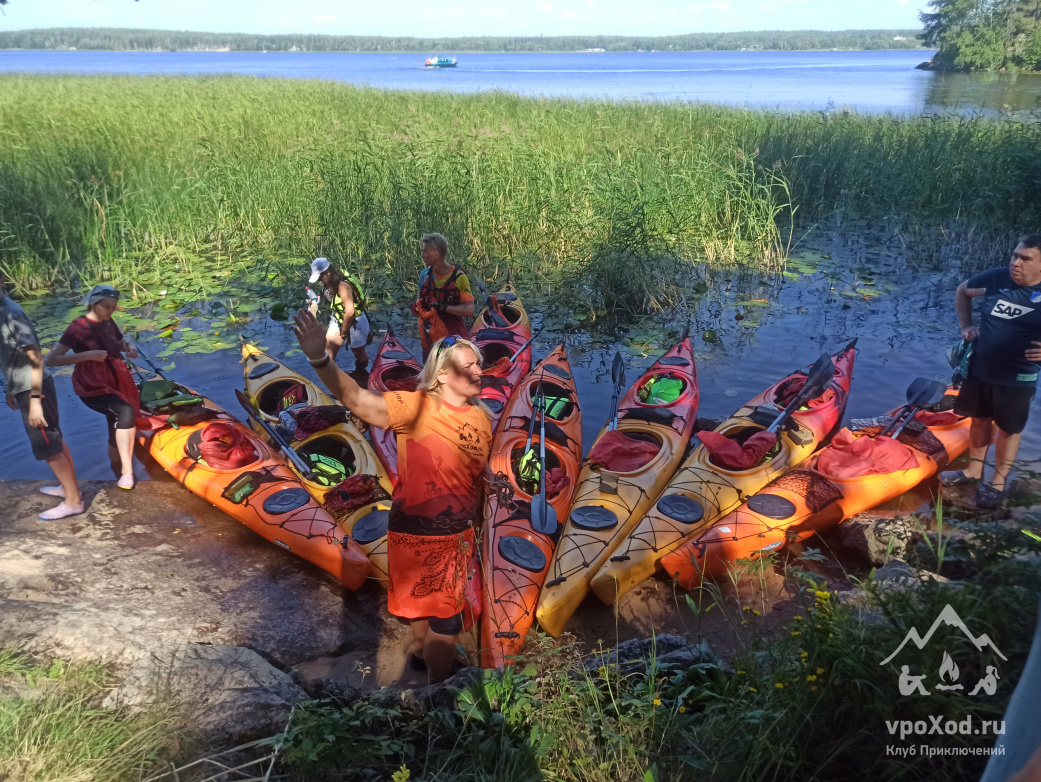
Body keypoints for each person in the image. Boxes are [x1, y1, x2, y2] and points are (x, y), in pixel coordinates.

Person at [293, 308, 490, 684]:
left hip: (459, 530)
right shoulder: (415, 405)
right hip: (423, 531)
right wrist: (320, 358)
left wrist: (489, 477)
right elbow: (355, 398)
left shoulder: (480, 416)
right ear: (444, 375)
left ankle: (419, 655)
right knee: (446, 622)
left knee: (421, 606)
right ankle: (439, 688)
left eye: (479, 363)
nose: (479, 370)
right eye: (469, 365)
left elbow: (472, 465)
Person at [939, 235, 1041, 509]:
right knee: (979, 420)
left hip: (1018, 377)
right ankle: (973, 471)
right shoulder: (997, 279)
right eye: (1014, 256)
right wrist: (966, 326)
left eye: (1025, 258)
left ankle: (997, 483)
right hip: (980, 368)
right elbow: (962, 291)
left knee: (1009, 429)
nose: (1015, 263)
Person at [0, 271, 84, 520]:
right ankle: (68, 488)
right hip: (25, 385)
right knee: (54, 439)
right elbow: (13, 357)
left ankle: (73, 501)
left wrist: (35, 401)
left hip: (34, 388)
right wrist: (10, 388)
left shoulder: (12, 314)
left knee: (47, 446)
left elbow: (36, 358)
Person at [45, 285, 141, 490]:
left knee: (114, 422)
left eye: (113, 307)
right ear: (93, 303)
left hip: (116, 380)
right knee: (125, 411)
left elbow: (120, 341)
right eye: (106, 306)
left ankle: (116, 468)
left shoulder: (108, 322)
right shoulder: (78, 327)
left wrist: (129, 347)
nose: (110, 311)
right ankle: (127, 472)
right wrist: (87, 355)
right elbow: (51, 359)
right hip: (92, 385)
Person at [411, 233, 475, 359]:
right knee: (432, 363)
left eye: (425, 252)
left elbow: (469, 310)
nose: (422, 256)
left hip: (453, 328)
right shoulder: (424, 275)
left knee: (456, 363)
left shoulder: (459, 277)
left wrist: (442, 306)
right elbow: (420, 298)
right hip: (431, 329)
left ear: (436, 254)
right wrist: (417, 306)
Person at [307, 257, 370, 371]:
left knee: (359, 355)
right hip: (338, 318)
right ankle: (335, 380)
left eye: (320, 277)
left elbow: (350, 312)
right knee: (328, 354)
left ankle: (361, 376)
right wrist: (316, 300)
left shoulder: (343, 286)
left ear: (328, 272)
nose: (319, 280)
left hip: (355, 321)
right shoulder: (329, 281)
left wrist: (344, 331)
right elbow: (330, 296)